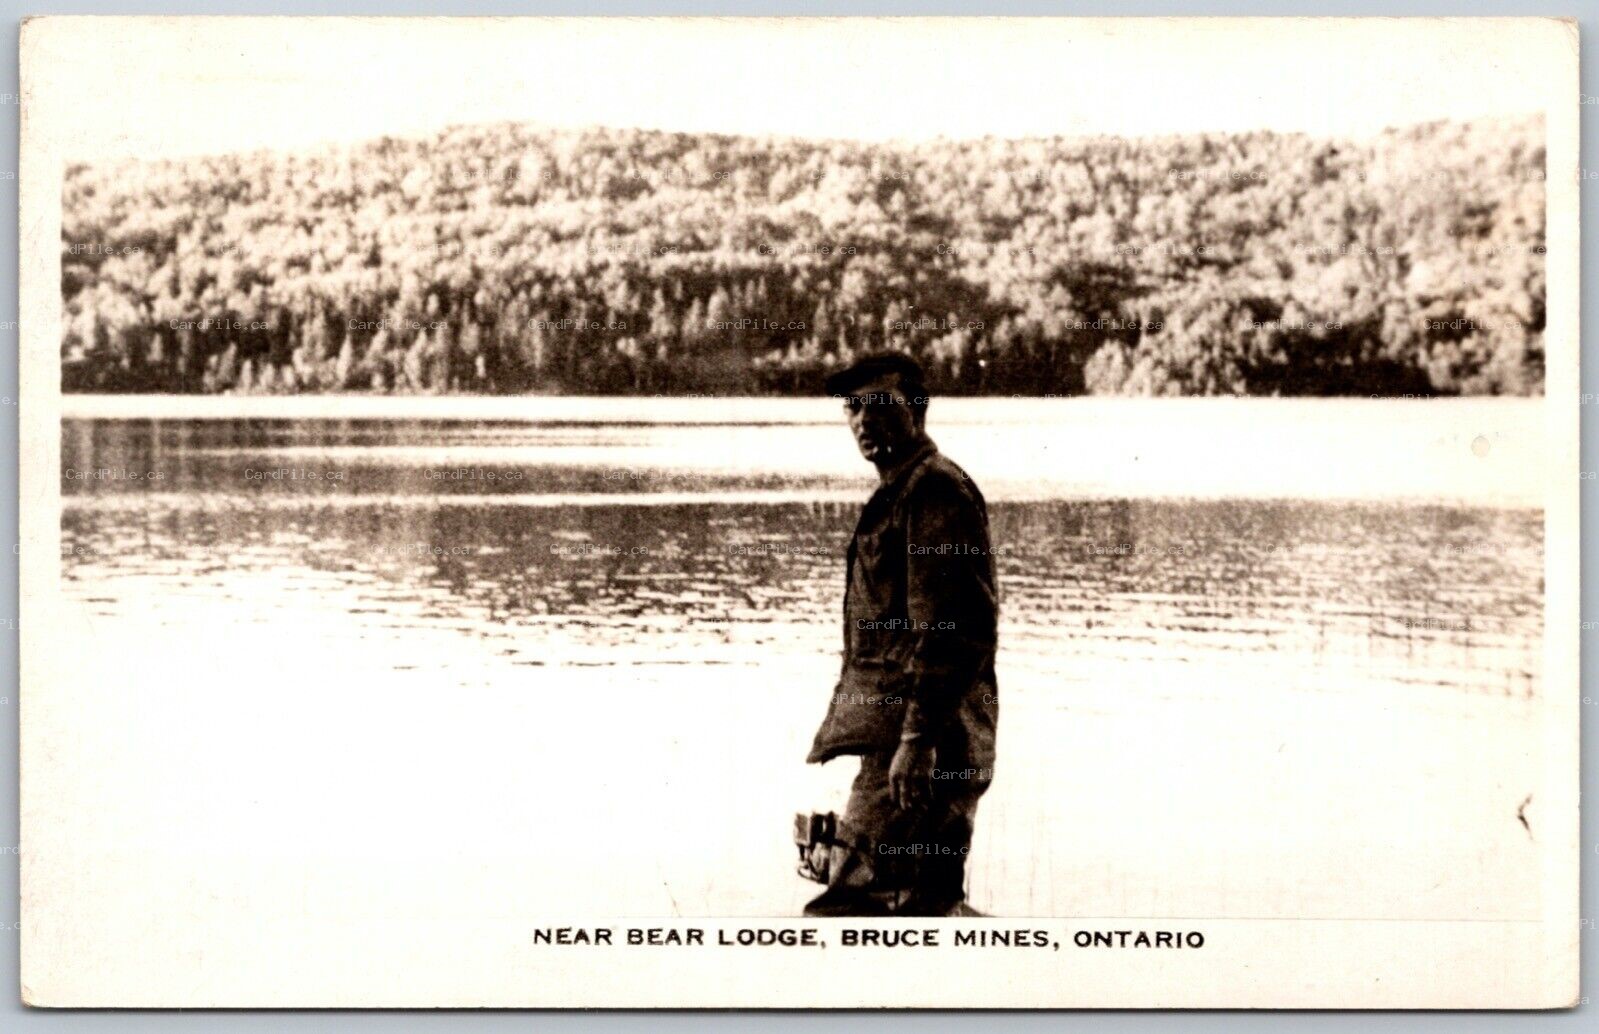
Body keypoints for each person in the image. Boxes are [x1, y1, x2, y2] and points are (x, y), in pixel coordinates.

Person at [803, 352, 999, 917]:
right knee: (919, 909)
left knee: (850, 911)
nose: (863, 419)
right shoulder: (905, 489)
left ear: (916, 409)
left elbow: (951, 630)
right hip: (917, 739)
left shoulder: (933, 492)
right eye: (853, 408)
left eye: (880, 405)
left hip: (924, 745)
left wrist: (916, 742)